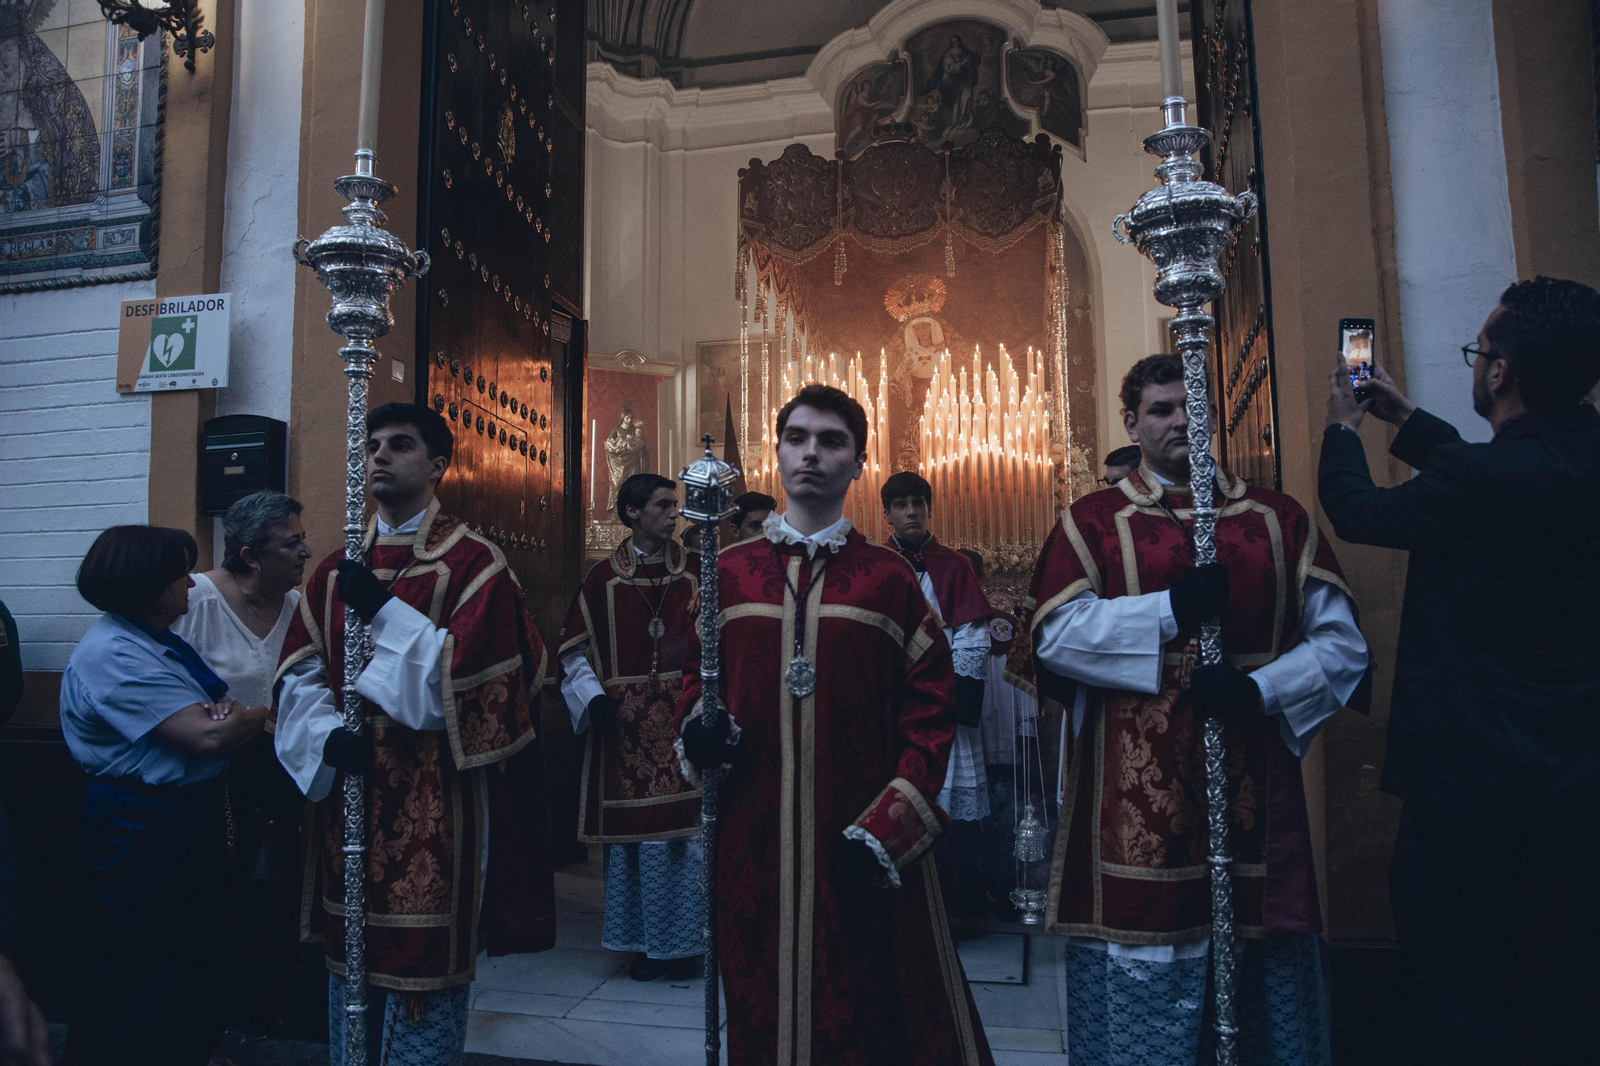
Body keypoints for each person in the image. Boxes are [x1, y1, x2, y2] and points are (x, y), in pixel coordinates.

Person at [1022, 355, 1368, 1064]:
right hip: (1133, 798)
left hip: (1254, 782)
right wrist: (1168, 611)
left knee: (1262, 967)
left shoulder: (1276, 518)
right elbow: (1054, 638)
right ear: (1131, 422)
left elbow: (1342, 645)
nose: (1181, 420)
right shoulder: (1094, 522)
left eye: (1194, 406)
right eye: (1161, 409)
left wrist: (1261, 690)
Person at [1319, 277, 1600, 1065]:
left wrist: (1344, 426)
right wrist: (1405, 417)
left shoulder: (1476, 483)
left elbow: (1356, 511)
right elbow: (1503, 476)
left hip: (1472, 797)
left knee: (1462, 1005)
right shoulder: (1542, 470)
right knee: (1570, 1001)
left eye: (1479, 352)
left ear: (1500, 371)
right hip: (1581, 790)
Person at [677, 384, 994, 1066]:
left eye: (831, 441)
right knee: (757, 1009)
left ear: (858, 462)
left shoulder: (889, 580)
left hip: (859, 845)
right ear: (777, 453)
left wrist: (887, 832)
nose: (811, 454)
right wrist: (701, 726)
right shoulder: (728, 573)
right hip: (752, 841)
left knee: (864, 1015)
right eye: (797, 439)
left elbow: (931, 714)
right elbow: (696, 679)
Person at [273, 403, 556, 1065]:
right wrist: (321, 735)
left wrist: (383, 612)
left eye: (399, 445)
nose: (379, 455)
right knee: (351, 970)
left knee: (423, 970)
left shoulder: (474, 564)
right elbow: (299, 670)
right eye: (372, 444)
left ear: (437, 466)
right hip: (351, 795)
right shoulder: (335, 569)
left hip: (436, 800)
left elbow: (474, 684)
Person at [59, 525, 270, 1065]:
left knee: (196, 955)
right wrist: (255, 715)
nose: (192, 586)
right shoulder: (115, 652)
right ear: (149, 587)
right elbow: (209, 734)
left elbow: (217, 711)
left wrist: (229, 716)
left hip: (183, 816)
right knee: (144, 962)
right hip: (141, 822)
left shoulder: (158, 643)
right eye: (180, 576)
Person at [170, 490, 312, 1037]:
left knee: (274, 900)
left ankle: (265, 1007)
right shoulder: (197, 601)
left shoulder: (297, 607)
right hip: (214, 781)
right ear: (251, 555)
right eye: (292, 543)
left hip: (281, 780)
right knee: (217, 901)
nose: (305, 552)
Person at [559, 473, 704, 982]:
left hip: (684, 719)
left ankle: (686, 945)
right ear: (632, 513)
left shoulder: (696, 573)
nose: (674, 514)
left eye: (676, 505)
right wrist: (594, 699)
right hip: (626, 731)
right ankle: (644, 946)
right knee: (635, 843)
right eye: (663, 505)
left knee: (686, 838)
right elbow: (572, 651)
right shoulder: (602, 579)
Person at [880, 471, 993, 915]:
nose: (912, 512)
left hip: (944, 705)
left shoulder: (955, 565)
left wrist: (950, 693)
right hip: (893, 702)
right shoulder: (877, 564)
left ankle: (956, 909)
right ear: (887, 514)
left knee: (952, 810)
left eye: (919, 503)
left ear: (929, 508)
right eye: (901, 505)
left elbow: (972, 633)